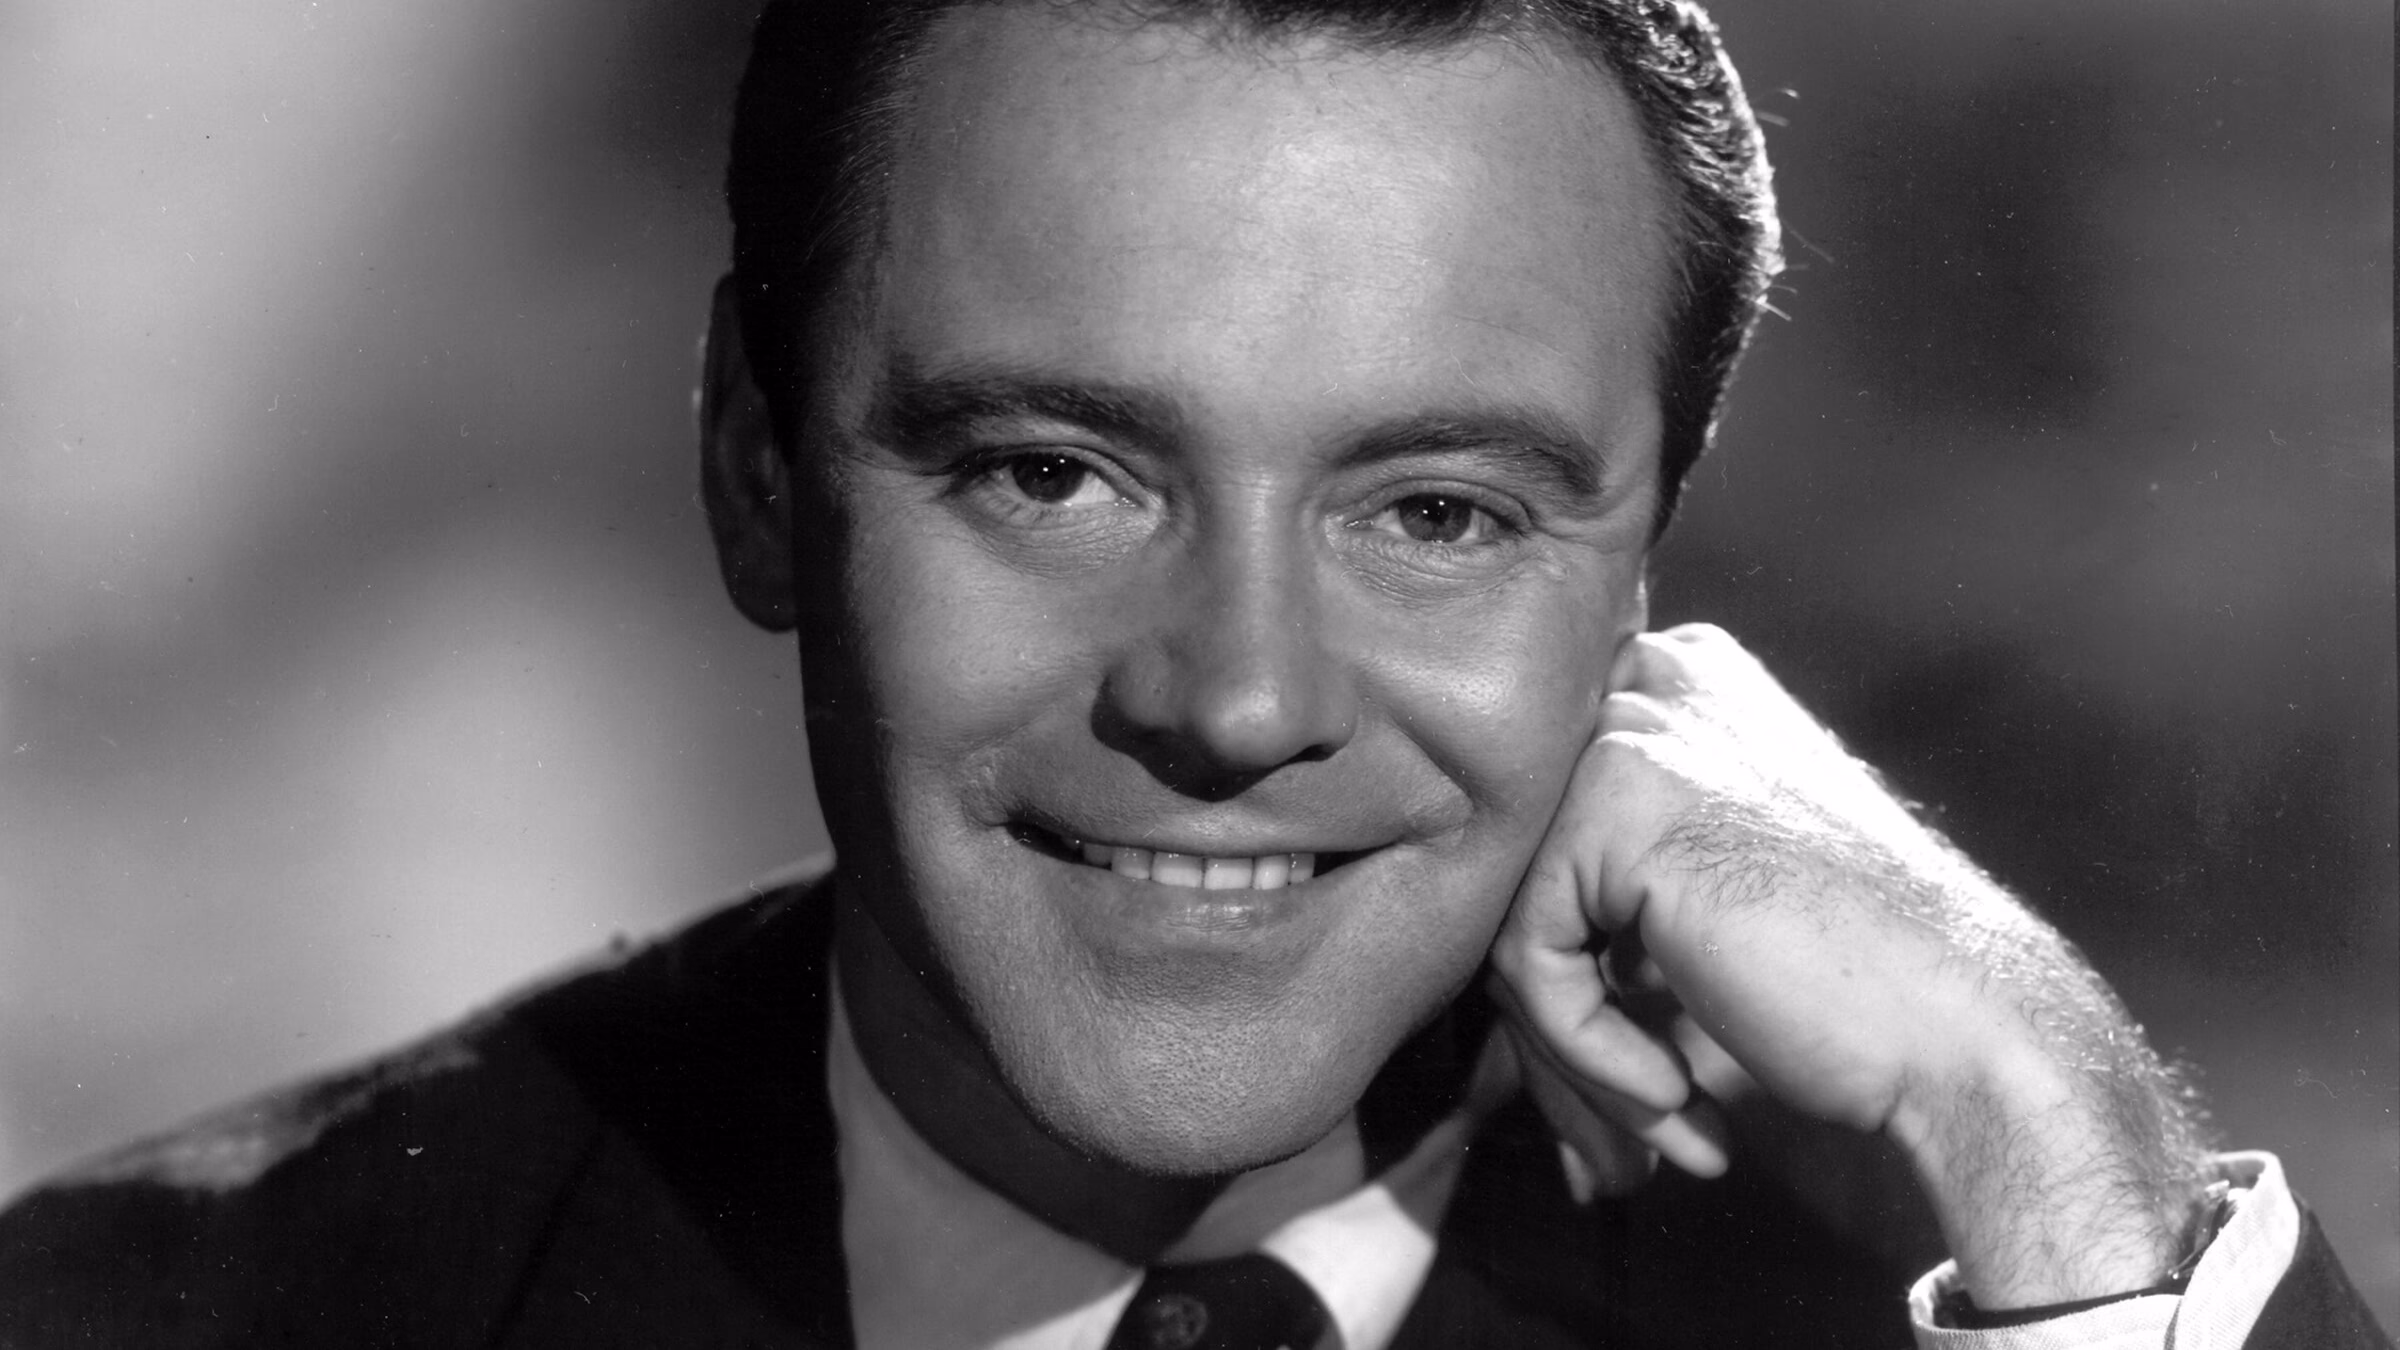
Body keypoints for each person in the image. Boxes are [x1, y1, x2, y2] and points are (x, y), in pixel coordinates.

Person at [0, 0, 2385, 1346]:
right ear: (753, 468)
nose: (1239, 704)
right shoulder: (150, 1316)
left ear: (1646, 559)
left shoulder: (1991, 1307)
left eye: (1436, 514)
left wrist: (2054, 1143)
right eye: (1056, 476)